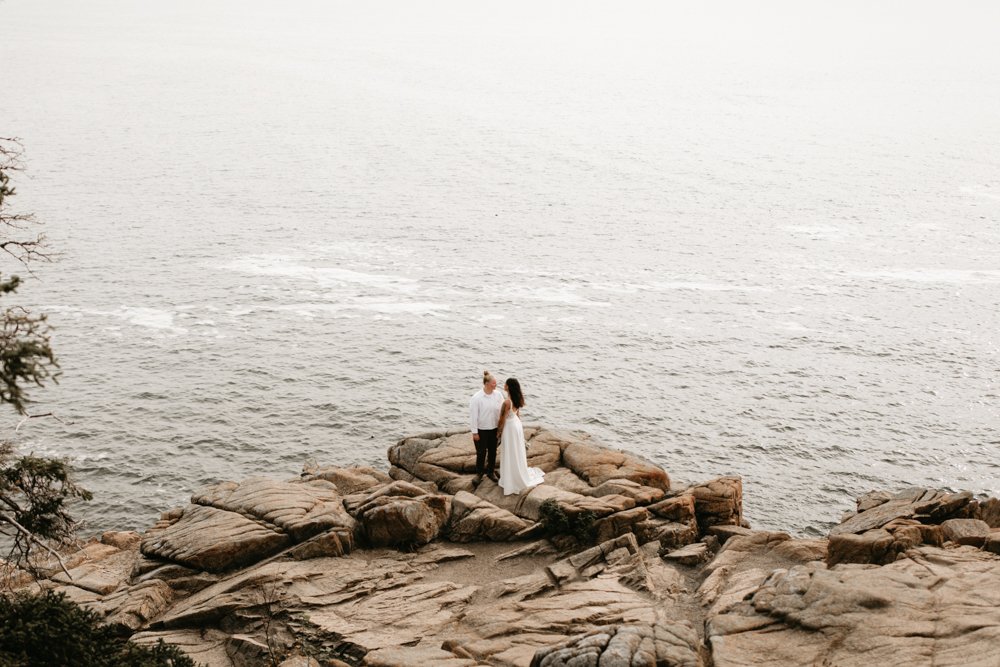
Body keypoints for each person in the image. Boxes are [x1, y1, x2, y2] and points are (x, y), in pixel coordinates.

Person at [497, 378, 544, 495]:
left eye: (505, 384)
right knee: (516, 450)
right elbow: (518, 414)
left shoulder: (507, 402)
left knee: (509, 450)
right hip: (516, 425)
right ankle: (516, 472)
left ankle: (511, 477)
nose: (504, 385)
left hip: (510, 427)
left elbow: (502, 420)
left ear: (508, 387)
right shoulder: (516, 399)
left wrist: (498, 433)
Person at [469, 370, 505, 482]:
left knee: (493, 452)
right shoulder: (477, 398)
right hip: (481, 430)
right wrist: (475, 432)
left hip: (494, 429)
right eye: (494, 383)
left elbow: (503, 410)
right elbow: (473, 416)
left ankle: (490, 472)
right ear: (486, 384)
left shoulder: (498, 395)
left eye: (495, 383)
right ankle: (479, 474)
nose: (496, 385)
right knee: (481, 453)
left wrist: (502, 428)